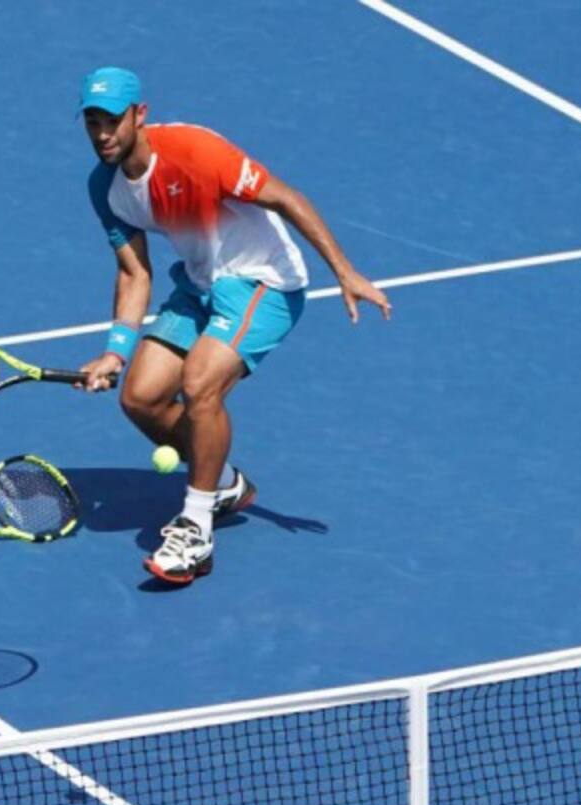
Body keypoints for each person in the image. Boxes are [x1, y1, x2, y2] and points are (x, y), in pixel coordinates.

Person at [77, 66, 392, 585]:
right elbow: (134, 272)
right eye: (92, 122)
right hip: (200, 284)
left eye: (112, 121)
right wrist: (114, 351)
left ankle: (196, 529)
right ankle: (221, 483)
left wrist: (344, 271)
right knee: (141, 397)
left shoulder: (197, 152)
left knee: (200, 385)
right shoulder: (104, 187)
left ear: (140, 115)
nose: (103, 134)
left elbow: (286, 197)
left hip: (263, 282)